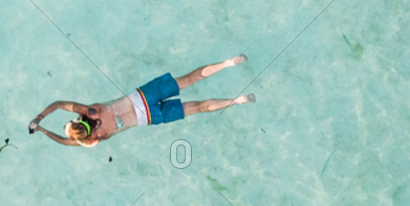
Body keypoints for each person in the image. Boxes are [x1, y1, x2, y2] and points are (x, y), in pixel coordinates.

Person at [29, 55, 252, 146]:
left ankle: (238, 100)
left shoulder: (95, 139)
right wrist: (39, 119)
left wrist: (43, 132)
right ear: (76, 121)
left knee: (200, 107)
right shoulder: (91, 110)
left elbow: (65, 142)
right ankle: (227, 63)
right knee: (190, 79)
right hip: (143, 96)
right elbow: (59, 104)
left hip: (150, 117)